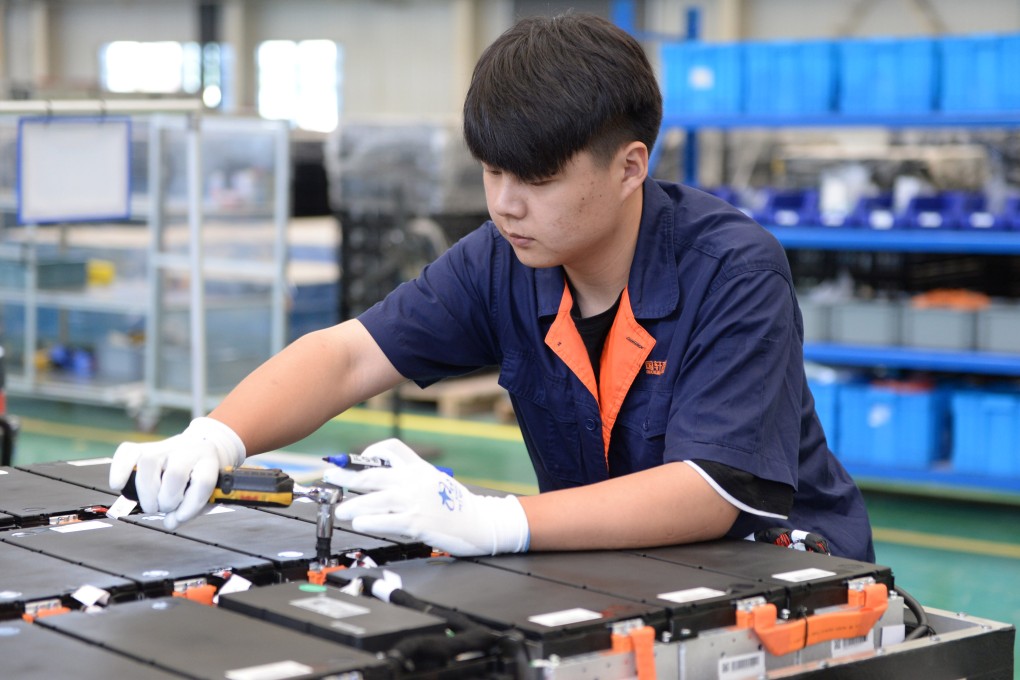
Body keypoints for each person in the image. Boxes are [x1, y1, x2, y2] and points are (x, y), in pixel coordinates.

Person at [109, 12, 875, 562]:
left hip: (784, 575)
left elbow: (710, 489)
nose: (505, 203)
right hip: (612, 566)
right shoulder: (503, 260)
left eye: (537, 179)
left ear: (630, 167)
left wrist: (496, 520)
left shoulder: (732, 271)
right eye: (492, 170)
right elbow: (349, 356)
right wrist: (214, 436)